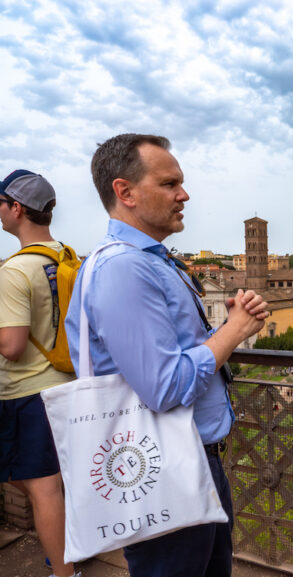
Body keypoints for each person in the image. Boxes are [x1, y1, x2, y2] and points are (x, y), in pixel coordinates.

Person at [65, 133, 268, 577]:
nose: (184, 194)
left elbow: (171, 353)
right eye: (170, 183)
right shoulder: (124, 267)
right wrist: (233, 333)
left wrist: (222, 327)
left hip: (186, 458)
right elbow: (165, 387)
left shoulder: (154, 262)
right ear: (126, 192)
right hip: (162, 468)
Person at [0, 170, 79, 577]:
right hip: (67, 385)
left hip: (26, 394)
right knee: (51, 486)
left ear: (16, 208)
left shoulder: (14, 271)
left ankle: (64, 573)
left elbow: (11, 347)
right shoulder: (66, 255)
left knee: (43, 490)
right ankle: (67, 556)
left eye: (0, 203)